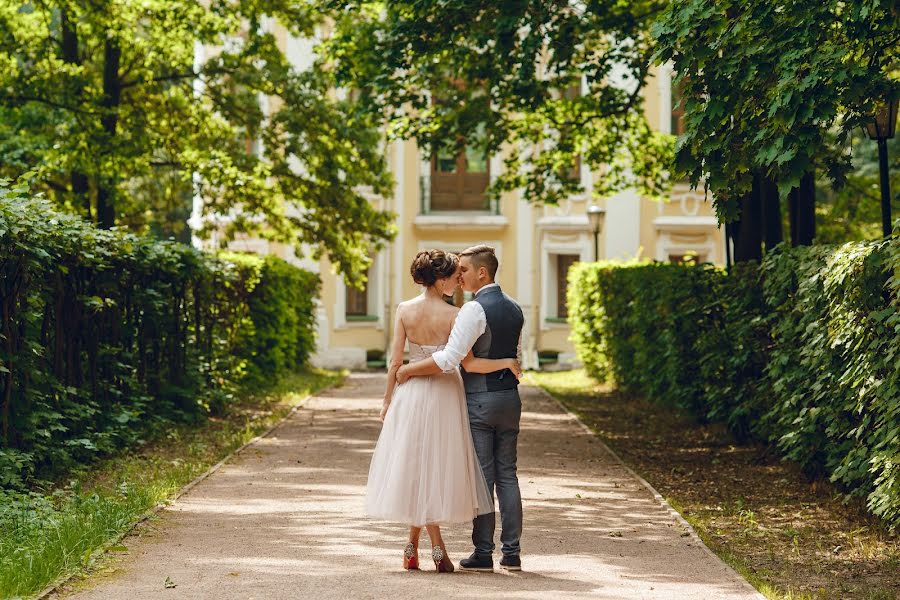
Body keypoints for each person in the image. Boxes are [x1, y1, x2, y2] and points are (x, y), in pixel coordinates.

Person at [365, 249, 521, 573]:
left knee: (416, 465)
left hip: (411, 393)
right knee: (434, 466)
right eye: (454, 275)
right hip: (446, 393)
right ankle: (437, 548)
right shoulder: (456, 315)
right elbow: (464, 363)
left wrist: (387, 398)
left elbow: (395, 362)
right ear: (440, 279)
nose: (458, 281)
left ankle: (412, 545)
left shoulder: (404, 310)